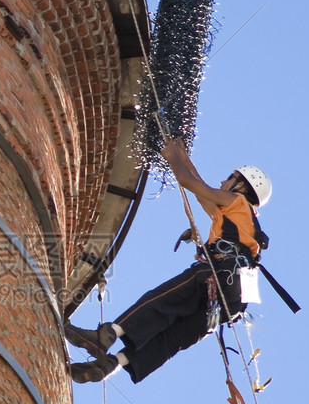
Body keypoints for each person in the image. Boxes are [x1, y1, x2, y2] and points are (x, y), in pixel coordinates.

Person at [67, 137, 272, 384]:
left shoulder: (236, 202)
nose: (222, 181)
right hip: (230, 305)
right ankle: (110, 364)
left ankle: (106, 336)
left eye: (229, 178)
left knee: (161, 300)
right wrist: (182, 156)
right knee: (172, 339)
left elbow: (188, 182)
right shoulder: (243, 219)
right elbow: (200, 192)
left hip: (216, 275)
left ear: (241, 187)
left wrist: (170, 156)